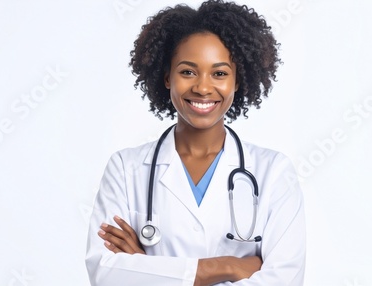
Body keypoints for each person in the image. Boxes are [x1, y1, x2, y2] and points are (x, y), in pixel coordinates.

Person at [85, 0, 305, 285]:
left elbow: (283, 280)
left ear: (237, 82)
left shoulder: (273, 172)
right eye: (188, 71)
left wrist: (147, 269)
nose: (202, 87)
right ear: (167, 77)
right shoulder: (125, 168)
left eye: (220, 73)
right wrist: (225, 267)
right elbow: (105, 273)